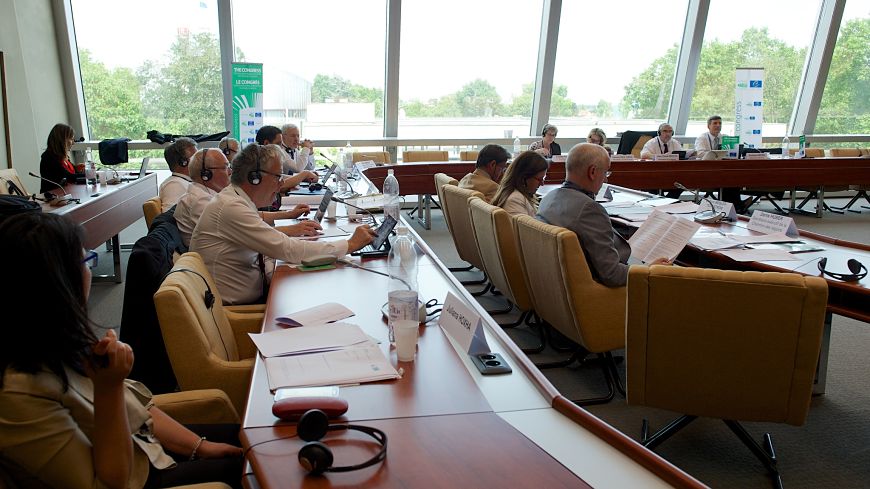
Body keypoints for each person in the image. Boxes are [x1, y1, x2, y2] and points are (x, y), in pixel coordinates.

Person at [0, 212, 244, 489]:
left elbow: (140, 410)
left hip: (146, 451)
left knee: (259, 438)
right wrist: (109, 388)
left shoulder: (58, 339)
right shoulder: (18, 392)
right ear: (57, 283)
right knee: (257, 465)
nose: (89, 270)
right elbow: (107, 483)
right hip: (133, 475)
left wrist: (201, 447)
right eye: (86, 261)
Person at [190, 144, 376, 305]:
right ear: (255, 177)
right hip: (239, 311)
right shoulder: (231, 207)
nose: (281, 185)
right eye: (277, 177)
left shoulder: (236, 199)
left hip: (256, 296)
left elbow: (275, 245)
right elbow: (287, 250)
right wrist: (349, 245)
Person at [537, 143, 669, 287]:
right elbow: (612, 275)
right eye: (606, 173)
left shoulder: (548, 199)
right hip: (602, 294)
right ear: (592, 172)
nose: (606, 179)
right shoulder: (589, 209)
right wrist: (650, 270)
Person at [176, 148, 311, 247]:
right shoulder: (200, 200)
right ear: (206, 174)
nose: (230, 172)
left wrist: (288, 215)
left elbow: (251, 216)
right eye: (225, 167)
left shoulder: (209, 194)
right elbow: (254, 232)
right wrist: (293, 229)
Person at [491, 150, 548, 217]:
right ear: (523, 177)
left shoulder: (514, 195)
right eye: (539, 179)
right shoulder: (515, 200)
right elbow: (526, 227)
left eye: (543, 178)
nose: (542, 184)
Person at [159, 137, 198, 212]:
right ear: (183, 162)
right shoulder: (174, 185)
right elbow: (170, 219)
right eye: (195, 158)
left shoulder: (186, 181)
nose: (200, 161)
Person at [39, 123, 78, 193]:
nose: (73, 143)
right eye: (71, 139)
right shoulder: (48, 157)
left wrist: (77, 168)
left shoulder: (62, 156)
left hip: (67, 195)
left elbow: (72, 172)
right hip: (53, 199)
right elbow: (68, 177)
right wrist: (90, 175)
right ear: (63, 140)